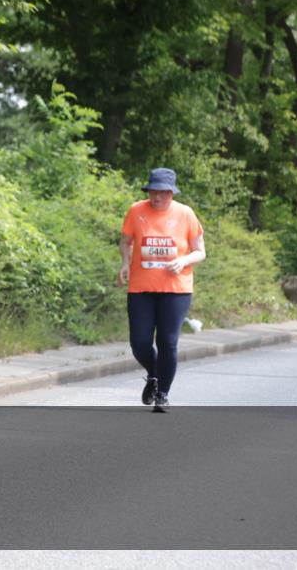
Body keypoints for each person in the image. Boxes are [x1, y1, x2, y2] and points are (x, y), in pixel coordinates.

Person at [116, 168, 205, 412]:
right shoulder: (136, 210)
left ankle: (162, 394)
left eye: (162, 193)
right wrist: (125, 263)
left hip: (176, 289)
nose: (156, 197)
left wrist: (184, 261)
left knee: (168, 342)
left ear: (171, 193)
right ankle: (154, 374)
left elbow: (200, 250)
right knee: (140, 343)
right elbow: (125, 241)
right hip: (141, 287)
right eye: (153, 191)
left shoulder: (185, 213)